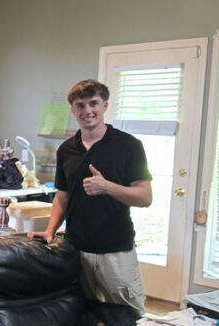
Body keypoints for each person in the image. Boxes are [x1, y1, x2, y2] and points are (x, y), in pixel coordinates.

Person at [28, 79, 152, 314]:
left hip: (115, 248)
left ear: (105, 105)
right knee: (83, 313)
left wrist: (107, 187)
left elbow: (145, 197)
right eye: (80, 105)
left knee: (131, 317)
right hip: (76, 248)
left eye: (93, 103)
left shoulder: (129, 145)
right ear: (73, 110)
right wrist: (50, 230)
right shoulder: (66, 150)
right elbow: (61, 197)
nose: (87, 111)